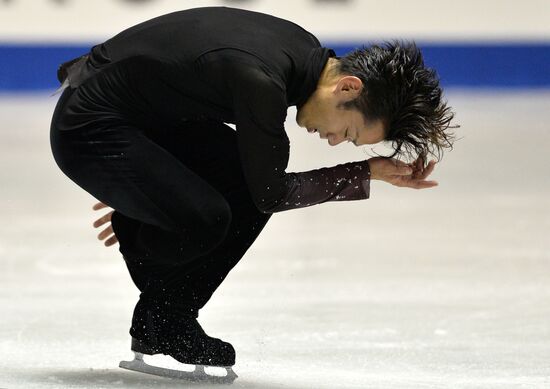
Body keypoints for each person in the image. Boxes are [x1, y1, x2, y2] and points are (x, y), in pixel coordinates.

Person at [50, 6, 455, 379]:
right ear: (348, 87)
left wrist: (152, 176)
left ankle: (162, 320)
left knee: (246, 181)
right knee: (212, 215)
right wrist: (137, 190)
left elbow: (175, 68)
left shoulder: (300, 49)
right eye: (348, 134)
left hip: (137, 118)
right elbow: (272, 194)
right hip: (90, 127)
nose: (334, 141)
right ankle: (166, 317)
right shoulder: (261, 81)